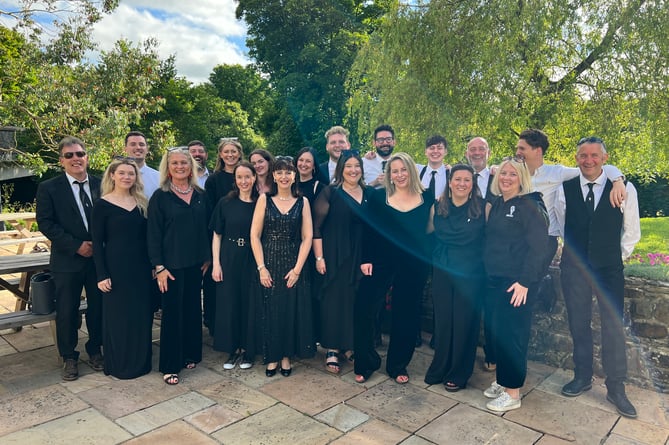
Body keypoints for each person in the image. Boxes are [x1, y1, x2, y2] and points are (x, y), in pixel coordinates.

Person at [556, 137, 640, 418]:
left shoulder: (624, 188)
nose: (588, 160)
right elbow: (559, 221)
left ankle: (616, 387)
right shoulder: (564, 188)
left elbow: (632, 230)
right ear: (577, 158)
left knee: (612, 326)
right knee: (578, 322)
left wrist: (616, 257)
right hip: (574, 267)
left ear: (605, 158)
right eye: (582, 155)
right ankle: (582, 376)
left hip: (608, 268)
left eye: (594, 155)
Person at [354, 152, 434, 384]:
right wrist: (366, 259)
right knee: (365, 310)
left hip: (413, 263)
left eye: (403, 170)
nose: (399, 175)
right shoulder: (379, 198)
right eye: (394, 171)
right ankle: (366, 362)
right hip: (380, 260)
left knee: (406, 314)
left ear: (411, 170)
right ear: (389, 174)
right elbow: (369, 230)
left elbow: (430, 230)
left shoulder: (426, 197)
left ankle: (398, 365)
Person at [482, 157, 549, 412]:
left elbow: (539, 249)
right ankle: (503, 380)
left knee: (513, 337)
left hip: (517, 284)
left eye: (512, 174)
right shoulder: (500, 203)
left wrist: (524, 282)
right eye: (503, 174)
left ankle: (513, 393)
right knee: (499, 335)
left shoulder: (530, 206)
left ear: (522, 178)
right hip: (496, 281)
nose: (506, 178)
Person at [36, 136, 104, 381]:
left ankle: (95, 349)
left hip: (98, 260)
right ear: (61, 161)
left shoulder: (101, 184)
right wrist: (76, 246)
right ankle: (69, 356)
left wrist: (99, 244)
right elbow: (45, 223)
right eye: (69, 155)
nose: (76, 158)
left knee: (99, 307)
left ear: (86, 157)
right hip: (67, 260)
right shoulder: (49, 188)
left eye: (80, 154)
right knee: (67, 310)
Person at [147, 148, 211, 385]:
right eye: (174, 163)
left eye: (184, 162)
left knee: (193, 310)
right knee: (172, 314)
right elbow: (153, 235)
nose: (180, 166)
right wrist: (159, 266)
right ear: (168, 167)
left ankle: (190, 354)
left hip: (196, 265)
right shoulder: (160, 197)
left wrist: (207, 257)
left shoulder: (200, 194)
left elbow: (206, 228)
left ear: (191, 166)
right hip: (170, 267)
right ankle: (171, 364)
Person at [250, 157, 315, 377]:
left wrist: (297, 269)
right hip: (268, 261)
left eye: (288, 172)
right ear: (274, 176)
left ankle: (286, 356)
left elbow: (308, 237)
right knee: (271, 309)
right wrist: (261, 267)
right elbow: (254, 235)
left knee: (290, 310)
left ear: (294, 176)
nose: (284, 176)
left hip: (294, 263)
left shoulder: (302, 201)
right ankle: (272, 356)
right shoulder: (264, 199)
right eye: (279, 172)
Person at [424, 164, 485, 391]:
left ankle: (459, 373)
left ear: (473, 184)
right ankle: (440, 366)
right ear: (449, 182)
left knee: (464, 323)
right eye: (457, 179)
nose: (461, 183)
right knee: (443, 321)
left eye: (466, 180)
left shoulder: (482, 208)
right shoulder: (437, 207)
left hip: (470, 273)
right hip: (442, 270)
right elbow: (427, 235)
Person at [91, 157, 153, 379]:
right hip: (115, 269)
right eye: (123, 173)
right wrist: (102, 274)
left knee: (140, 315)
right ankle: (119, 364)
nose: (127, 177)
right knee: (118, 317)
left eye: (131, 173)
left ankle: (141, 362)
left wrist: (154, 265)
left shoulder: (142, 202)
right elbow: (97, 243)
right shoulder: (102, 204)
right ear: (112, 175)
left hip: (141, 268)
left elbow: (148, 238)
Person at [312, 150, 370, 373]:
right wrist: (319, 258)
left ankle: (349, 346)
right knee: (333, 302)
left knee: (353, 300)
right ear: (341, 170)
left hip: (360, 256)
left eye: (357, 166)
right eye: (348, 166)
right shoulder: (330, 193)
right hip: (334, 254)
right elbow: (316, 227)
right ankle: (332, 349)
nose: (353, 170)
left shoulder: (368, 193)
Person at [210, 161, 259, 370]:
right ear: (235, 180)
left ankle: (249, 349)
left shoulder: (261, 203)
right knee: (230, 303)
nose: (244, 181)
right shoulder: (225, 203)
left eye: (248, 176)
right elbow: (216, 235)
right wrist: (216, 263)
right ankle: (233, 349)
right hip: (229, 256)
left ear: (254, 178)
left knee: (250, 303)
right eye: (240, 177)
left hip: (252, 257)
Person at [203, 138, 243, 329]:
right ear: (220, 154)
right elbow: (209, 211)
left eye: (233, 151)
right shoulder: (214, 180)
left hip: (243, 236)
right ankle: (216, 324)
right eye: (226, 151)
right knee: (218, 282)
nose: (230, 155)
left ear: (239, 153)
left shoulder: (246, 175)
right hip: (220, 235)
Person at [125, 131, 160, 197]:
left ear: (147, 149)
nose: (138, 147)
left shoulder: (159, 178)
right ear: (125, 149)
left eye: (141, 144)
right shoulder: (116, 177)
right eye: (133, 144)